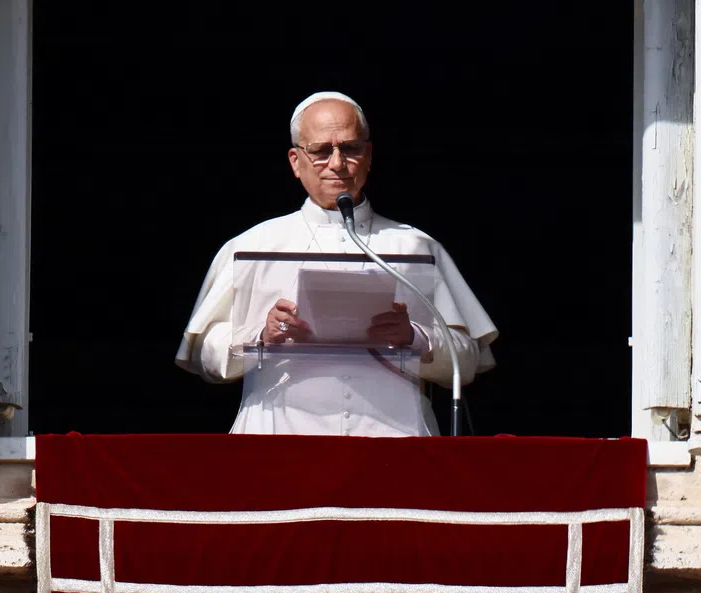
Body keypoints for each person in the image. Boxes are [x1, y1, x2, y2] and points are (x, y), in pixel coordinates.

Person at [176, 92, 497, 436]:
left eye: (351, 148)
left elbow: (469, 359)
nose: (337, 163)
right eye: (320, 152)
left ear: (369, 156)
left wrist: (415, 337)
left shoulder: (416, 246)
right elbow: (203, 357)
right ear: (295, 161)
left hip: (395, 444)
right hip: (278, 440)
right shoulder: (251, 246)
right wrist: (260, 336)